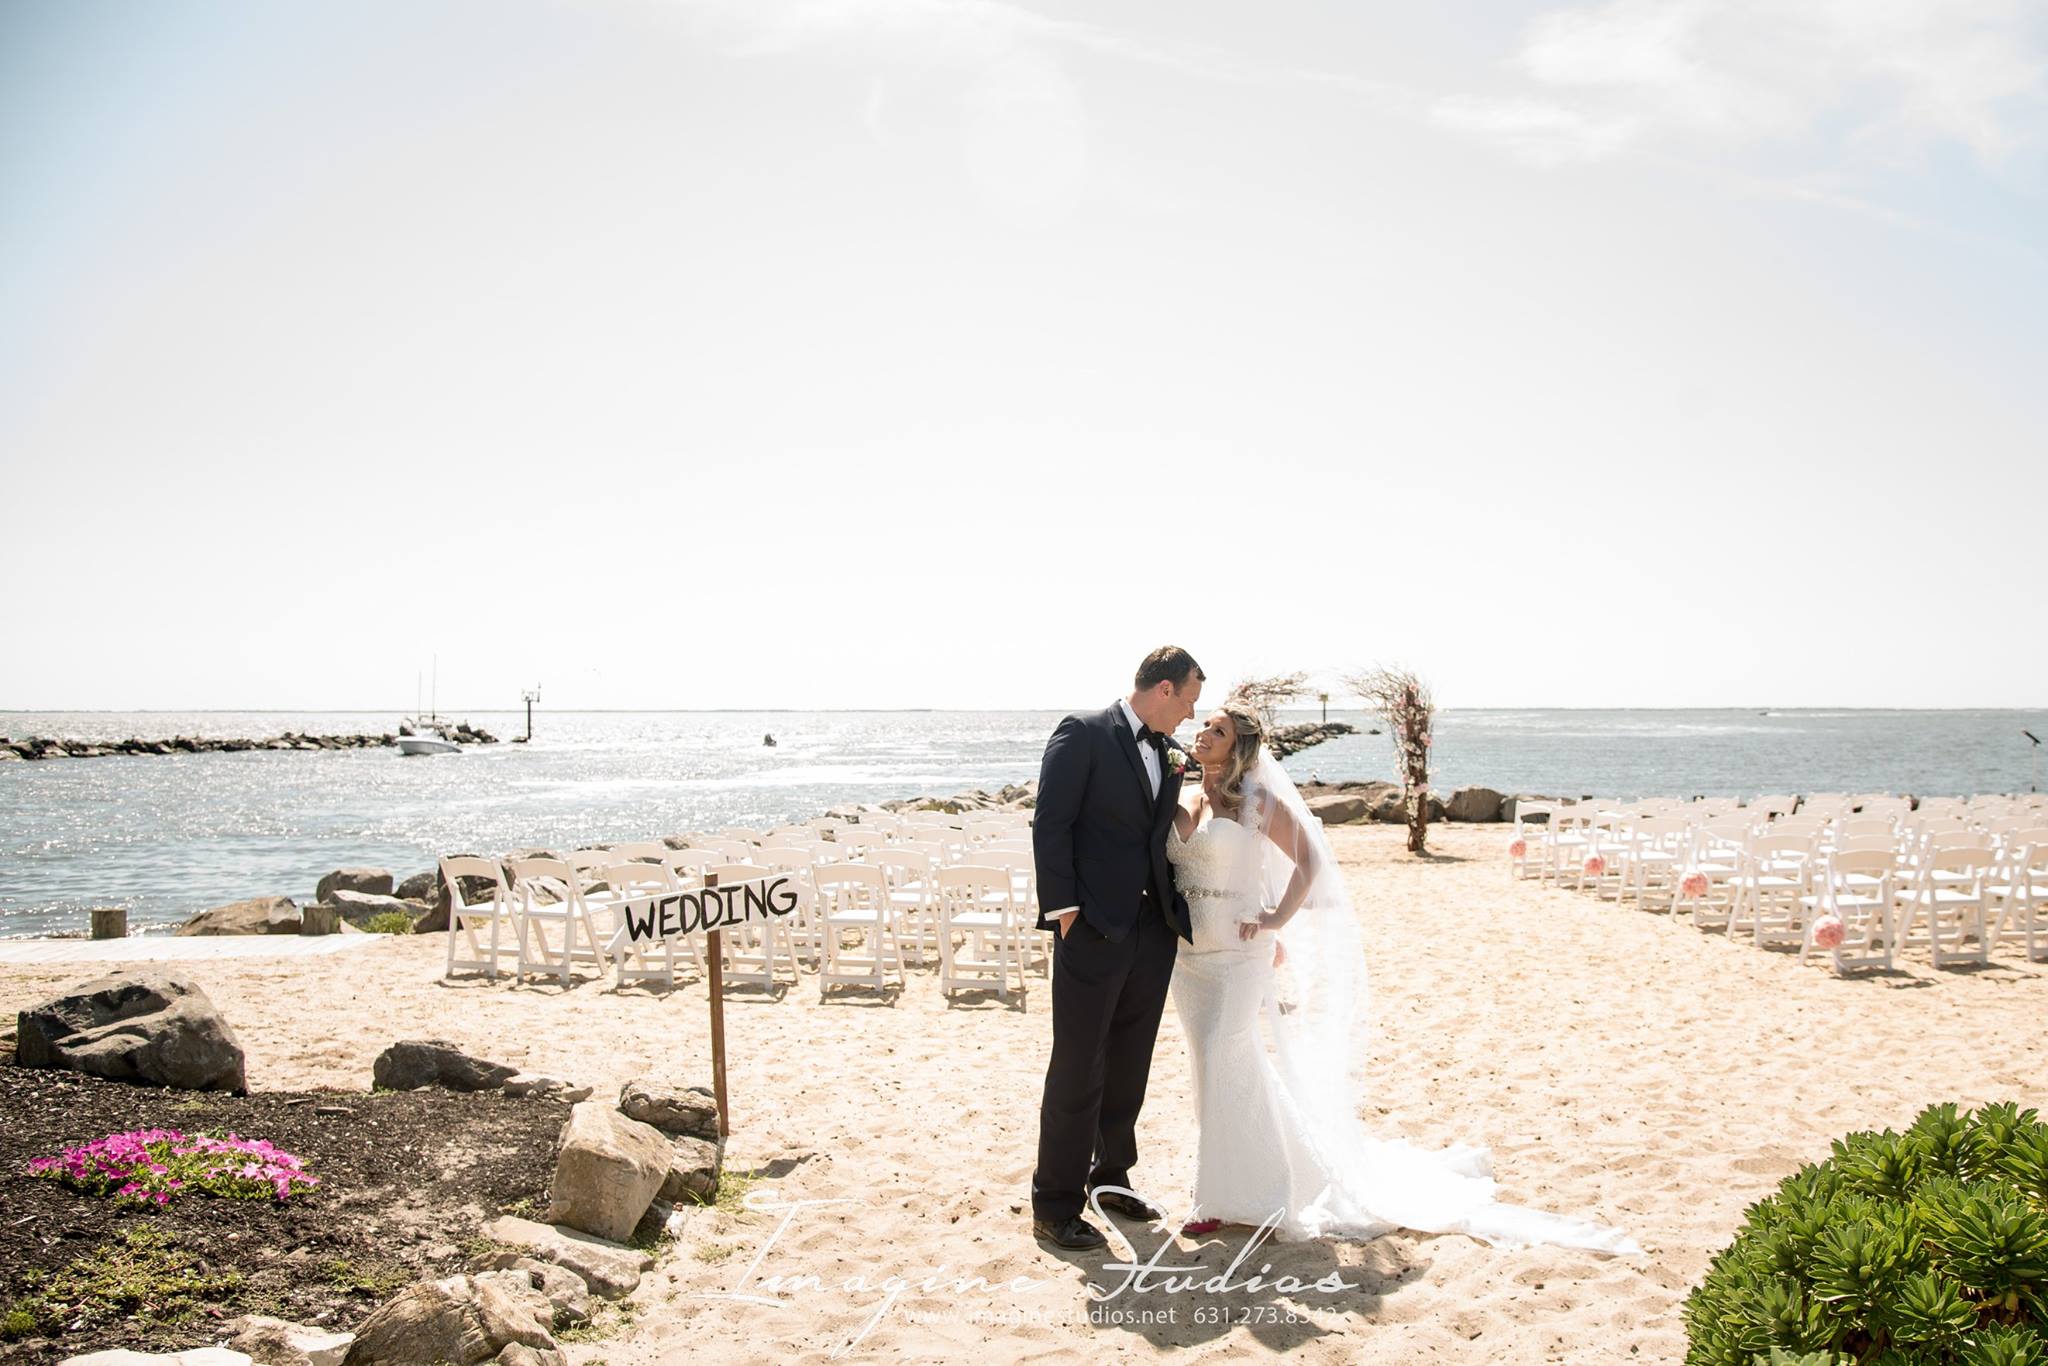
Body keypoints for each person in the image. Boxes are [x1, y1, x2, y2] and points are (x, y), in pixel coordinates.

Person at [1164, 701, 1639, 1253]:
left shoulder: (1258, 803)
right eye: (1205, 727)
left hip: (1243, 952)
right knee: (1215, 1065)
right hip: (1189, 955)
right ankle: (1257, 1175)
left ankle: (1239, 1196)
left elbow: (1311, 862)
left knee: (1227, 1051)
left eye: (1216, 730)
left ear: (1238, 746)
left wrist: (1275, 918)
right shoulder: (1184, 796)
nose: (1203, 733)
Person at [1029, 646, 1204, 1250]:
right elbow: (1050, 822)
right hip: (1093, 929)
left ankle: (1112, 1179)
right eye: (1187, 701)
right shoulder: (1084, 734)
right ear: (1162, 689)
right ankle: (1055, 1205)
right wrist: (1066, 912)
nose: (1188, 716)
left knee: (1130, 1065)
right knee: (1079, 1067)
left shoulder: (1167, 751)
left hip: (1151, 932)